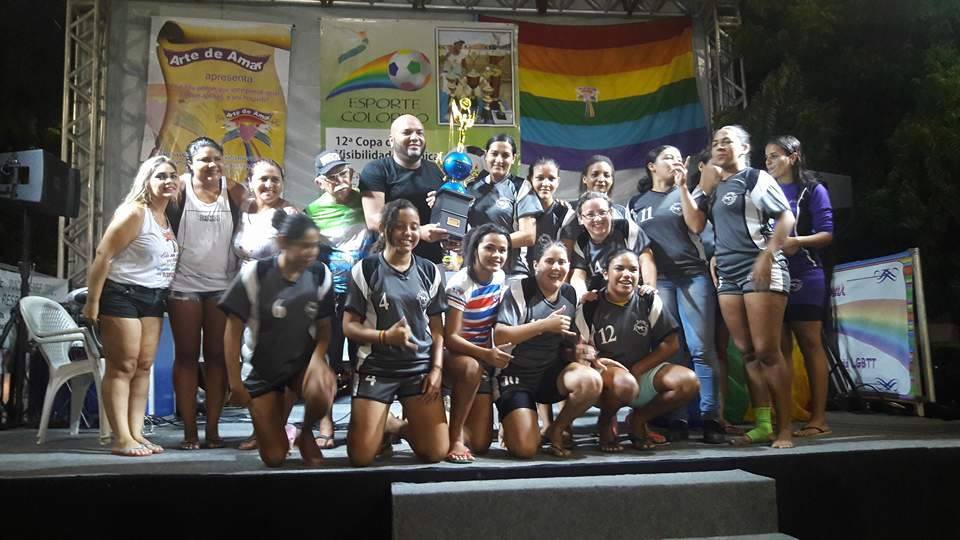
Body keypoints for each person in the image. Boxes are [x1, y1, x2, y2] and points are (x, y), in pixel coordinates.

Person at [698, 125, 796, 448]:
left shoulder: (756, 178)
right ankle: (763, 425)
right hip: (727, 274)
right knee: (748, 353)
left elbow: (786, 218)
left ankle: (785, 429)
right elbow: (696, 225)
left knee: (768, 351)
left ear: (743, 147)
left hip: (760, 268)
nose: (719, 146)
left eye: (727, 141)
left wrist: (768, 254)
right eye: (715, 142)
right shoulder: (713, 187)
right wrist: (699, 188)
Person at [219, 213, 338, 467]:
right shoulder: (256, 274)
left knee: (323, 384)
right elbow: (232, 333)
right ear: (283, 242)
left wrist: (318, 361)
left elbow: (325, 328)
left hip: (301, 364)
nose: (311, 252)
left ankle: (306, 431)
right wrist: (235, 383)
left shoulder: (320, 273)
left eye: (315, 245)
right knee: (274, 457)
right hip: (262, 369)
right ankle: (283, 429)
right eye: (304, 245)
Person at [83, 156, 180, 457]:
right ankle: (121, 438)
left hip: (154, 297)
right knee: (123, 365)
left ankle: (136, 433)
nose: (168, 181)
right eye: (160, 176)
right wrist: (92, 302)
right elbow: (103, 255)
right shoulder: (135, 212)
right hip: (121, 294)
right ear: (146, 181)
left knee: (143, 366)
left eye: (173, 176)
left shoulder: (166, 217)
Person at [629, 145, 725, 444]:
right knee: (674, 349)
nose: (675, 162)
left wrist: (683, 188)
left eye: (678, 158)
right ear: (651, 166)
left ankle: (710, 418)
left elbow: (696, 225)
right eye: (667, 157)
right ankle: (678, 417)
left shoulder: (690, 193)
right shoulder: (636, 203)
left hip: (693, 277)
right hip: (661, 281)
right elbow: (637, 248)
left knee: (701, 348)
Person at [342, 199, 449, 466]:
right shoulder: (365, 269)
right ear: (385, 228)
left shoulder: (429, 270)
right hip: (377, 367)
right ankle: (385, 422)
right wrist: (384, 337)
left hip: (418, 369)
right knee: (360, 457)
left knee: (435, 453)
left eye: (414, 226)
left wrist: (436, 369)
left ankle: (393, 425)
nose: (408, 233)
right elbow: (349, 326)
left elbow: (438, 329)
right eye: (400, 226)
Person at [166, 136, 247, 450]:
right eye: (204, 159)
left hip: (222, 286)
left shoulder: (233, 190)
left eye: (217, 159)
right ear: (189, 164)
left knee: (217, 358)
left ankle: (213, 430)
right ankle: (189, 431)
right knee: (186, 357)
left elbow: (259, 214)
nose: (212, 165)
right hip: (183, 284)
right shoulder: (179, 189)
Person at [575, 249, 699, 451]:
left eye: (633, 269)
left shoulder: (648, 300)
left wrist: (639, 368)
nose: (627, 274)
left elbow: (672, 343)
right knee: (624, 383)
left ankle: (638, 419)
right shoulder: (591, 305)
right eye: (619, 268)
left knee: (688, 382)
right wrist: (592, 358)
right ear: (606, 273)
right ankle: (604, 422)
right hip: (606, 377)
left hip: (641, 372)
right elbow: (579, 348)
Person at [494, 240, 603, 458]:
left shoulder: (569, 293)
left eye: (562, 262)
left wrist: (581, 352)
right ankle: (511, 419)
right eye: (549, 261)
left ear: (569, 266)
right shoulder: (520, 289)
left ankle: (556, 429)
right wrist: (543, 325)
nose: (556, 267)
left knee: (591, 380)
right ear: (536, 265)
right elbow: (500, 335)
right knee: (525, 449)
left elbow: (568, 342)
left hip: (549, 375)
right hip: (516, 376)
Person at [765, 135, 834, 438]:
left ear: (792, 157)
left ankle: (818, 418)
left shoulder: (813, 189)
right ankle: (783, 420)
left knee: (810, 343)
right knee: (778, 348)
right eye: (766, 157)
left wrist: (797, 241)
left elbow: (826, 233)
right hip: (771, 277)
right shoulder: (763, 191)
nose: (768, 162)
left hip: (806, 273)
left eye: (774, 156)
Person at [231, 159, 300, 451]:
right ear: (250, 182)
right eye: (262, 179)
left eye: (275, 179)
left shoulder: (290, 214)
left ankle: (276, 427)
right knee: (252, 364)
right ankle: (261, 427)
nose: (269, 185)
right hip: (245, 296)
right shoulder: (243, 208)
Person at [443, 223, 513, 463]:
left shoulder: (500, 276)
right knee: (471, 367)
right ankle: (454, 437)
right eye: (490, 248)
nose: (497, 255)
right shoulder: (459, 285)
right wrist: (485, 354)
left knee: (481, 443)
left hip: (482, 357)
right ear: (475, 249)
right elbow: (451, 338)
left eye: (502, 250)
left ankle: (445, 420)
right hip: (455, 355)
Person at [305, 150, 375, 382]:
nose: (340, 181)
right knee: (331, 349)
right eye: (332, 177)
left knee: (363, 351)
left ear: (351, 173)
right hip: (332, 293)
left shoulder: (367, 202)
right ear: (319, 183)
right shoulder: (311, 212)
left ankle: (362, 398)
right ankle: (329, 398)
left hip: (366, 290)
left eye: (343, 173)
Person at [359, 114, 448, 264]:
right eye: (407, 132)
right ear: (391, 141)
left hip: (432, 262)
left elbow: (444, 215)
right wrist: (418, 232)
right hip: (391, 261)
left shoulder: (435, 170)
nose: (415, 137)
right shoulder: (376, 170)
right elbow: (374, 220)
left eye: (419, 133)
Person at [464, 134, 542, 276]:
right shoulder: (471, 187)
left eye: (505, 155)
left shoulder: (521, 187)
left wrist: (488, 246)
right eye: (494, 154)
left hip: (511, 272)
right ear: (486, 155)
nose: (499, 160)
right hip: (476, 270)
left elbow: (528, 236)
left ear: (513, 158)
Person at [569, 191, 656, 301]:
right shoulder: (581, 242)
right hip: (601, 300)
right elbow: (578, 275)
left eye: (602, 212)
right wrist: (582, 294)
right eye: (590, 215)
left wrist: (649, 286)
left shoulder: (626, 228)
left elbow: (646, 257)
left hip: (633, 296)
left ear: (611, 213)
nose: (598, 219)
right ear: (581, 219)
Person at [560, 155, 629, 251]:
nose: (601, 179)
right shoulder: (570, 209)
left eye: (606, 175)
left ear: (612, 180)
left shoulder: (621, 211)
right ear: (584, 179)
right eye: (595, 174)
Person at [525, 157, 577, 272]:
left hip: (552, 275)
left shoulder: (566, 215)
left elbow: (565, 258)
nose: (545, 183)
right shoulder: (520, 210)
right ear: (530, 179)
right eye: (540, 178)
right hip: (521, 274)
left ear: (558, 181)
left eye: (551, 178)